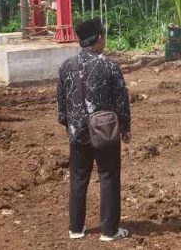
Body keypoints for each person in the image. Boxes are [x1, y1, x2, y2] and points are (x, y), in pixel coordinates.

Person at [56, 18, 131, 242]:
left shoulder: (66, 67)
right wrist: (125, 127)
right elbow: (121, 100)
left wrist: (69, 126)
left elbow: (61, 105)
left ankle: (76, 228)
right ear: (99, 39)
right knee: (108, 177)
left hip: (77, 132)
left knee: (78, 179)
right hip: (105, 132)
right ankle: (109, 231)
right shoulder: (109, 65)